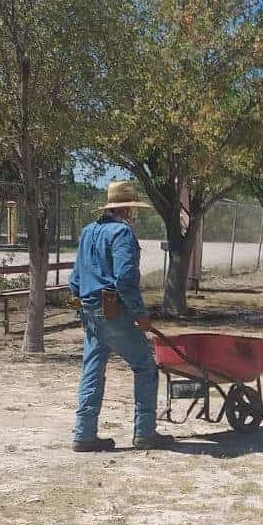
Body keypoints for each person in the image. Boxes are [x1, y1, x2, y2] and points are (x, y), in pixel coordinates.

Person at [68, 180, 172, 453]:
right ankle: (145, 432)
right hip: (112, 310)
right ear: (127, 209)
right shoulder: (122, 233)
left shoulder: (89, 231)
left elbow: (75, 277)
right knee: (146, 367)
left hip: (89, 310)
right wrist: (140, 315)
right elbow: (125, 279)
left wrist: (80, 303)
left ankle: (84, 433)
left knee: (92, 369)